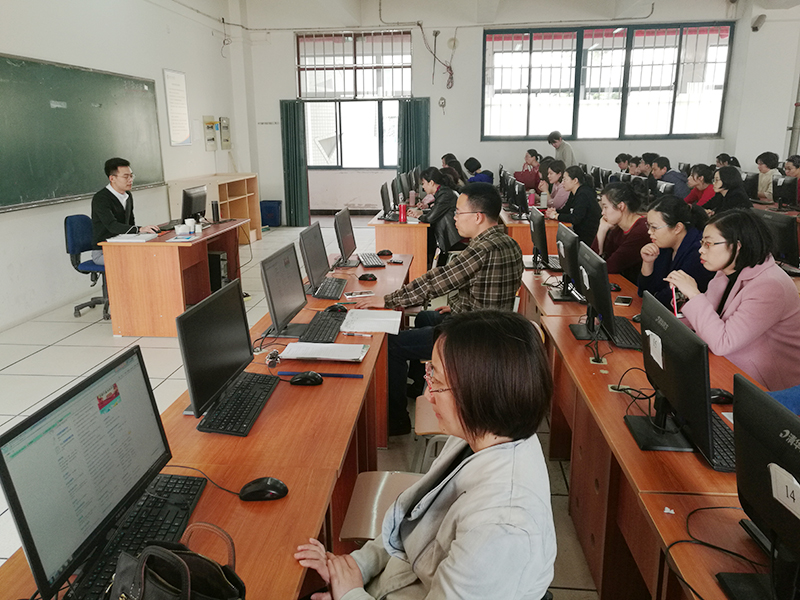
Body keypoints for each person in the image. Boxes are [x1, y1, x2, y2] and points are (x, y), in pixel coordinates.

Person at [295, 310, 557, 600]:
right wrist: (356, 566)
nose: (428, 394)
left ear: (481, 394)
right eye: (429, 373)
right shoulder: (483, 434)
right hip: (392, 581)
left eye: (437, 381)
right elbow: (415, 519)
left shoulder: (501, 528)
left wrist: (349, 594)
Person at [354, 183, 523, 435]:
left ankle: (396, 420)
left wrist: (388, 300)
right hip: (491, 327)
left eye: (458, 212)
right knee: (424, 317)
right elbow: (489, 289)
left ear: (478, 217)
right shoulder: (509, 243)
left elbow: (437, 281)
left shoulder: (482, 249)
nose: (454, 218)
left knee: (390, 346)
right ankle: (415, 385)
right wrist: (456, 306)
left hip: (472, 339)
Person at [665, 209, 800, 391]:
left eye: (708, 244)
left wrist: (694, 295)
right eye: (702, 242)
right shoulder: (726, 272)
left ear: (737, 246)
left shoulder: (770, 286)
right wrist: (680, 302)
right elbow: (702, 319)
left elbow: (723, 343)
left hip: (766, 388)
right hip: (731, 365)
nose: (701, 250)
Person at [638, 195, 712, 310]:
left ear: (677, 228)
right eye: (648, 226)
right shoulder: (665, 245)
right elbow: (644, 292)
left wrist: (652, 294)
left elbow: (668, 300)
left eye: (654, 227)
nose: (649, 232)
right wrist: (647, 263)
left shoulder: (698, 253)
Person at [91, 157, 159, 265]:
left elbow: (130, 223)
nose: (130, 180)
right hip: (104, 251)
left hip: (123, 245)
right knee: (139, 260)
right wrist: (140, 229)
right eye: (126, 177)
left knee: (154, 254)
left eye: (131, 176)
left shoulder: (127, 195)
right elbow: (112, 226)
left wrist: (142, 233)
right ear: (112, 178)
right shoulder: (101, 198)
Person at [591, 181, 650, 283]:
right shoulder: (618, 227)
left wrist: (601, 231)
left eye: (605, 207)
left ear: (621, 206)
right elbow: (594, 261)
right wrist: (601, 231)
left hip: (633, 286)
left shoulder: (640, 232)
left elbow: (609, 267)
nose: (602, 212)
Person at [409, 168, 461, 268]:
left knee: (424, 238)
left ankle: (423, 267)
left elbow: (430, 218)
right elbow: (436, 211)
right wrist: (421, 212)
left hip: (450, 238)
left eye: (424, 183)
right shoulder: (442, 192)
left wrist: (419, 215)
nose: (423, 187)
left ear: (431, 183)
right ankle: (425, 266)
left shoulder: (445, 194)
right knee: (426, 237)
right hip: (446, 232)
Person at [545, 165, 601, 245]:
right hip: (578, 232)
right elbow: (566, 210)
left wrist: (556, 216)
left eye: (565, 179)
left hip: (588, 236)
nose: (562, 182)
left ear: (575, 180)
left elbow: (576, 218)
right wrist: (554, 212)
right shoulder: (574, 192)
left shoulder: (583, 194)